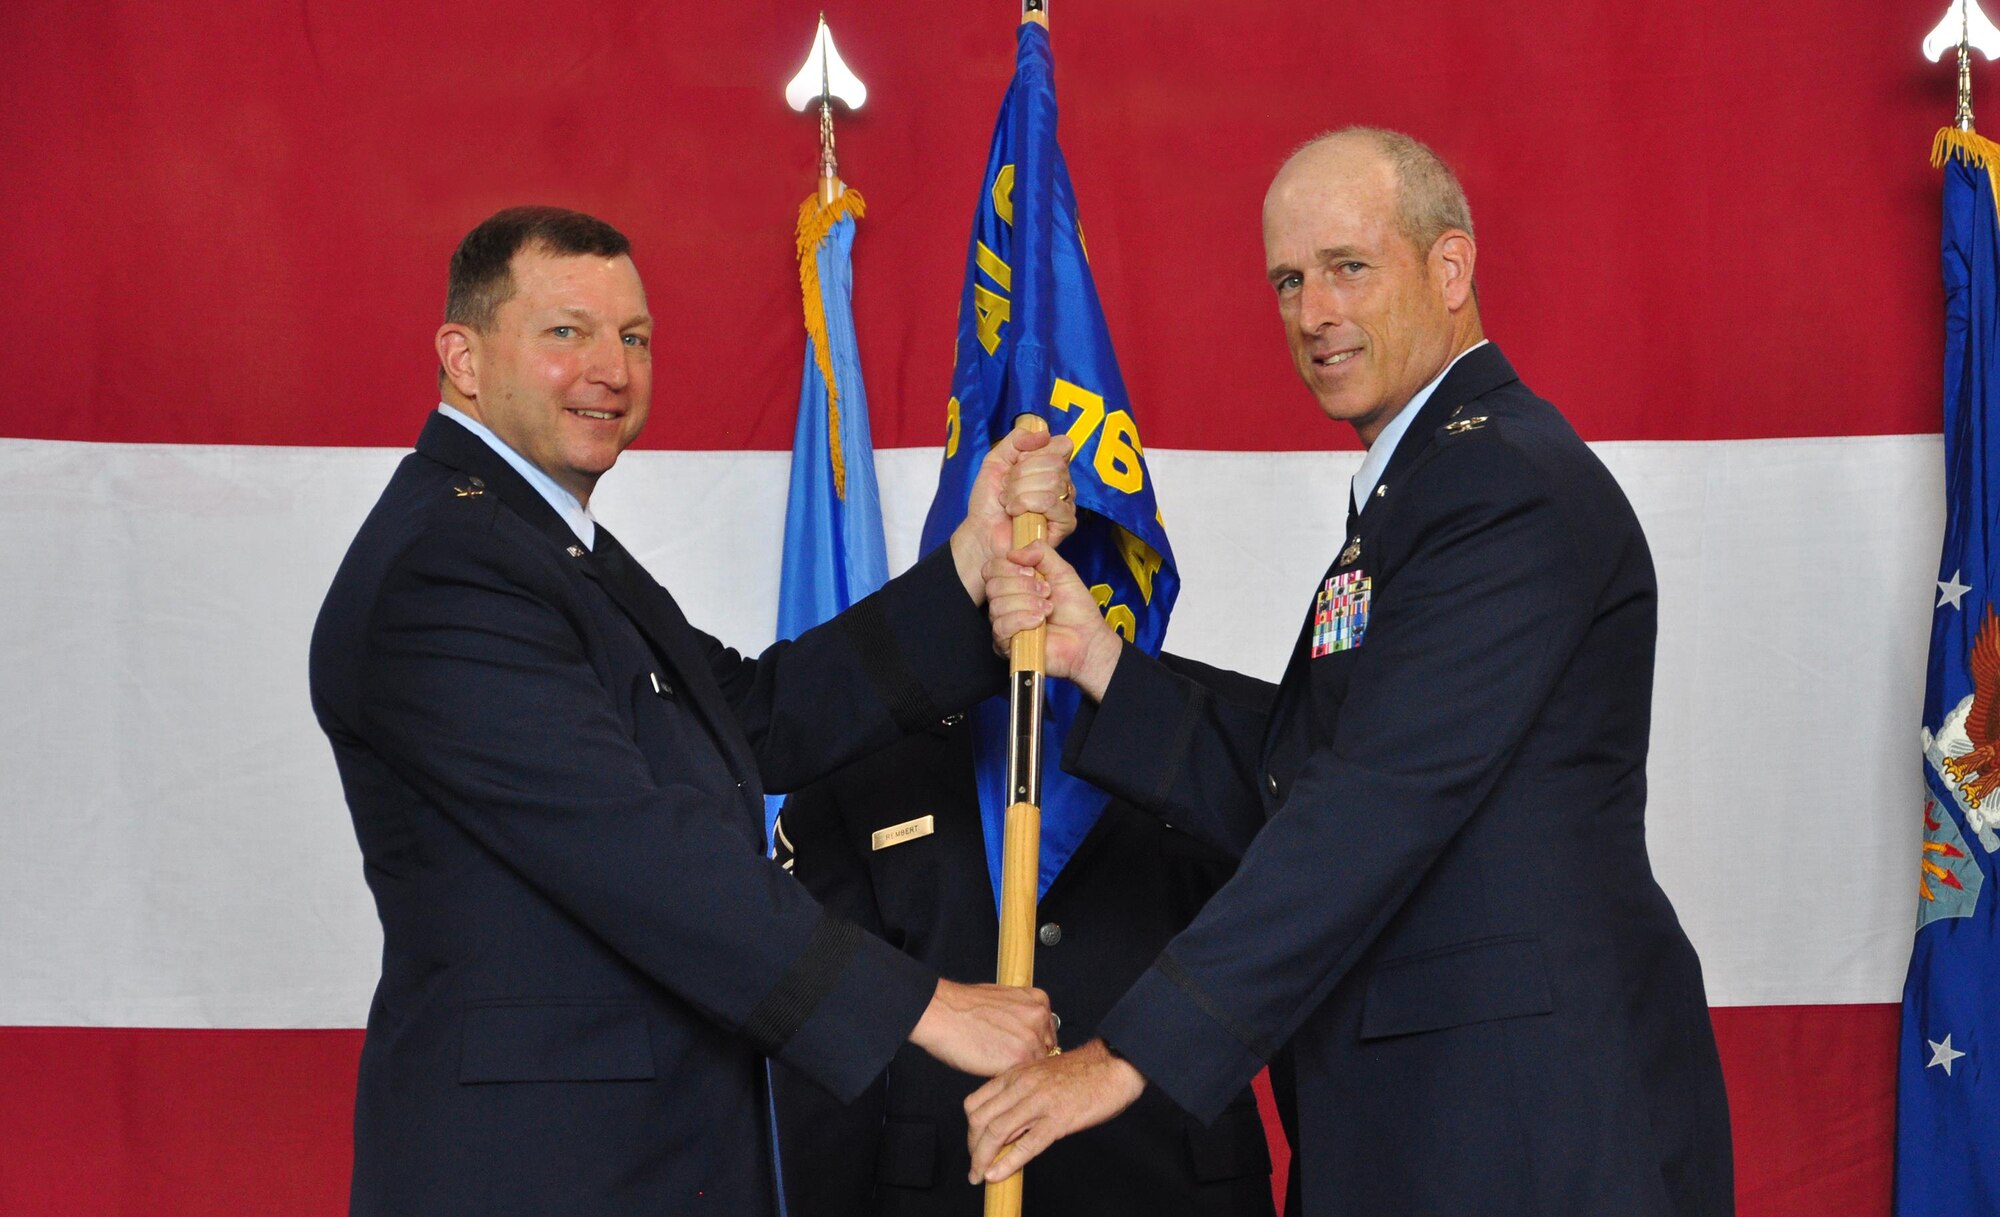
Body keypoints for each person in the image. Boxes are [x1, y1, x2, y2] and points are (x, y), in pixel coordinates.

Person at [966, 128, 1735, 1217]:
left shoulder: (1497, 485)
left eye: (1347, 266)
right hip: (1433, 1122)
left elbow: (1371, 801)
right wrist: (1097, 658)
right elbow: (1316, 766)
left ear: (1449, 268)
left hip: (1520, 1134)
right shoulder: (1428, 480)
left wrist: (1125, 1053)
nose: (1312, 311)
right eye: (1287, 278)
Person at [308, 206, 1068, 1217]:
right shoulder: (446, 569)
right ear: (463, 356)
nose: (611, 369)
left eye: (634, 337)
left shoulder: (546, 545)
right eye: (565, 332)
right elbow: (634, 849)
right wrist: (924, 1004)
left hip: (643, 1158)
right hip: (533, 1172)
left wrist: (970, 561)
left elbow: (751, 715)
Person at [769, 680, 1288, 1217]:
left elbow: (1297, 965)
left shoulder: (1233, 723)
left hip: (1182, 1189)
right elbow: (825, 1043)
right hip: (947, 1192)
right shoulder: (861, 746)